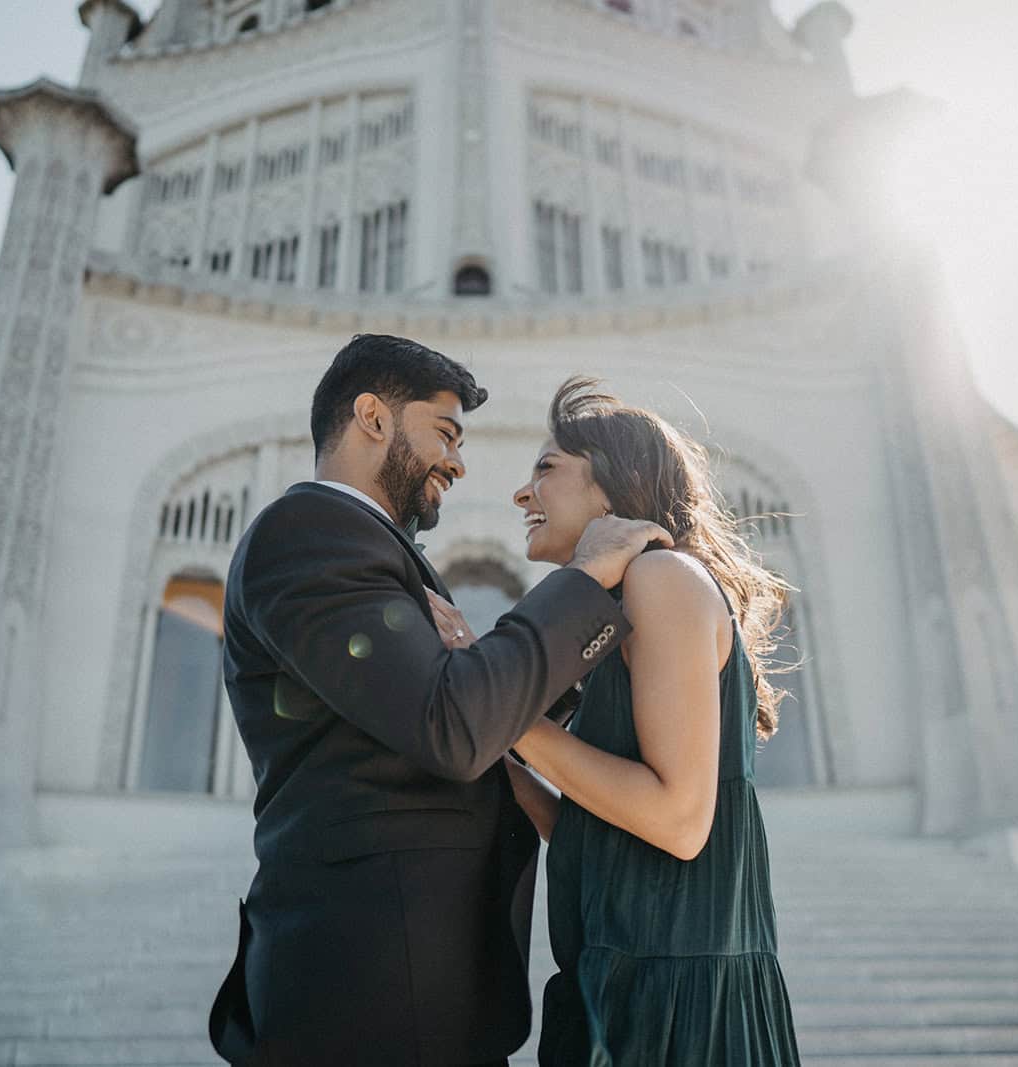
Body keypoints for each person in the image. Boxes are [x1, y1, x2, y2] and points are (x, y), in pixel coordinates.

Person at [207, 336, 671, 1067]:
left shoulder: (370, 549)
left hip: (422, 996)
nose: (457, 461)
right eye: (445, 433)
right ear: (372, 417)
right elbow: (454, 725)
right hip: (369, 998)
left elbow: (458, 712)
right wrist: (581, 583)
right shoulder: (310, 535)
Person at [428, 377, 801, 1065]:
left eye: (545, 468)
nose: (522, 493)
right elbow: (598, 826)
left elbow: (679, 822)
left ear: (611, 487)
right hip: (620, 990)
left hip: (679, 1013)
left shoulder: (661, 579)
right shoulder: (626, 602)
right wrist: (476, 725)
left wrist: (499, 703)